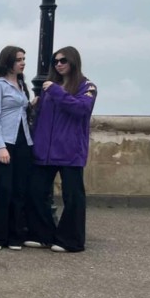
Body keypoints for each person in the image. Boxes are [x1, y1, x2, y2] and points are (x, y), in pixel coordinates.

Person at [26, 46, 97, 253]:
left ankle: (71, 240)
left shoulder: (87, 86)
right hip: (45, 152)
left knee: (73, 197)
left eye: (63, 60)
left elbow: (81, 109)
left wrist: (57, 92)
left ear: (73, 61)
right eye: (55, 61)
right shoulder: (49, 88)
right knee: (36, 192)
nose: (59, 64)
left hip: (70, 151)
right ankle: (43, 234)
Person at [0, 46, 33, 251]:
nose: (22, 63)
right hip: (4, 141)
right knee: (4, 188)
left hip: (23, 141)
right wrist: (1, 146)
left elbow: (22, 112)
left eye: (23, 59)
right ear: (8, 62)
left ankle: (15, 235)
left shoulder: (21, 85)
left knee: (19, 189)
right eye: (18, 59)